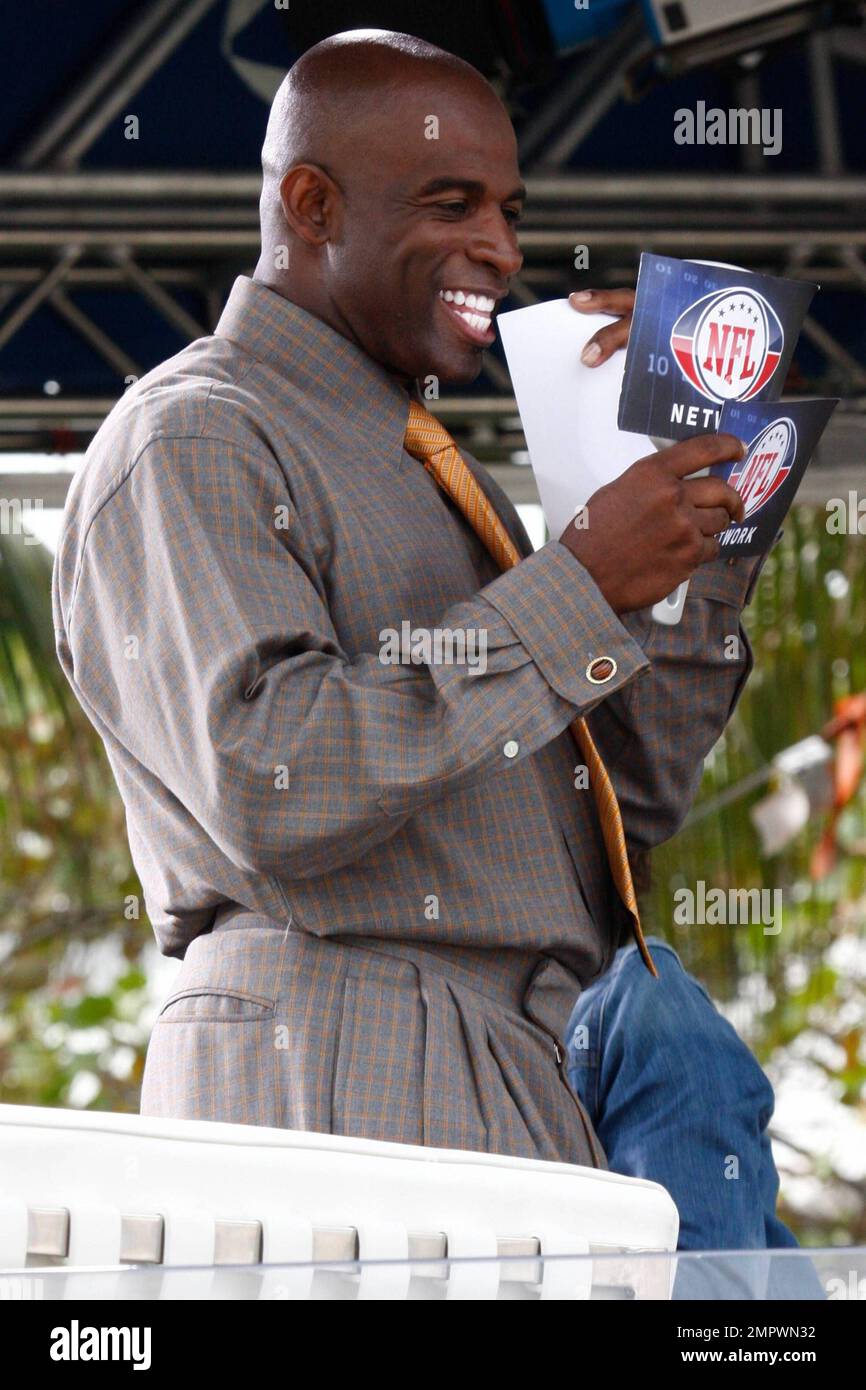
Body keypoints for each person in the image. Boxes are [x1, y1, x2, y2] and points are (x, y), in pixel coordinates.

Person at [52, 29, 787, 1249]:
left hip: (530, 1064)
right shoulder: (196, 435)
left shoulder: (444, 480)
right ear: (311, 203)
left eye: (506, 208)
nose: (500, 248)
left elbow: (626, 801)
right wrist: (573, 582)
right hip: (347, 1038)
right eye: (450, 203)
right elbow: (266, 772)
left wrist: (694, 514)